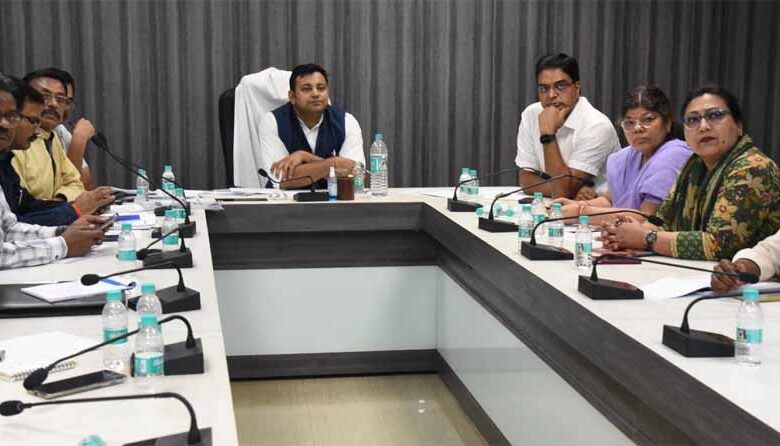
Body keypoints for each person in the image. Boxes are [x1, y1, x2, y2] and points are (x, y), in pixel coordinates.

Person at [601, 84, 780, 260]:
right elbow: (664, 222)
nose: (703, 126)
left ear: (738, 125)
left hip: (749, 277)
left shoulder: (752, 167)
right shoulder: (693, 166)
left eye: (715, 115)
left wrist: (646, 238)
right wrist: (628, 232)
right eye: (693, 120)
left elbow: (718, 244)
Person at [0, 74, 105, 268]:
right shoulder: (15, 152)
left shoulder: (50, 139)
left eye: (10, 117)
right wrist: (64, 243)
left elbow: (9, 227)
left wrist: (62, 231)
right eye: (33, 120)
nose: (5, 124)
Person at [552, 86, 692, 225]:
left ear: (667, 123)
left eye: (648, 120)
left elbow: (646, 218)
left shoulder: (674, 154)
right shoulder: (626, 156)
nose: (637, 128)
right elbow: (609, 200)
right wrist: (579, 205)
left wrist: (580, 213)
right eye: (629, 122)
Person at [515, 53, 620, 199]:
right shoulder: (531, 114)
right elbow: (525, 179)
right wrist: (567, 190)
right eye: (544, 88)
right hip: (565, 203)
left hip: (602, 207)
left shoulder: (597, 126)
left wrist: (547, 134)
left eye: (561, 86)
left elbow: (561, 193)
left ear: (577, 88)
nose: (551, 95)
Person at [15, 69, 113, 210]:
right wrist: (61, 209)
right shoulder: (14, 141)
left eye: (61, 99)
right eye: (45, 96)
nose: (53, 104)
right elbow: (20, 206)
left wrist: (60, 202)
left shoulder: (52, 137)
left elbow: (76, 183)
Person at [258, 63, 365, 189]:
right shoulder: (273, 121)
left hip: (334, 198)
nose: (315, 94)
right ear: (292, 97)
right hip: (285, 199)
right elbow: (280, 179)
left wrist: (305, 156)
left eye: (321, 88)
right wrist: (334, 163)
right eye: (306, 89)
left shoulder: (347, 121)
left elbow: (357, 175)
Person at [46, 67, 96, 189]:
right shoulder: (25, 138)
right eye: (47, 97)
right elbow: (62, 188)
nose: (57, 106)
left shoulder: (60, 130)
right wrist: (79, 139)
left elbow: (86, 185)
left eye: (66, 102)